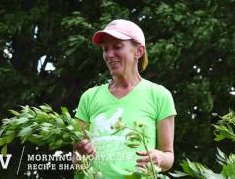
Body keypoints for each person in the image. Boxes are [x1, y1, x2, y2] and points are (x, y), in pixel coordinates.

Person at [73, 19, 176, 178]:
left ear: (138, 51)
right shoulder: (89, 97)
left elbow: (168, 155)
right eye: (105, 49)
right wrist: (80, 154)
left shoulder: (160, 96)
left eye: (117, 47)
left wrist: (160, 158)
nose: (109, 54)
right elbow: (76, 160)